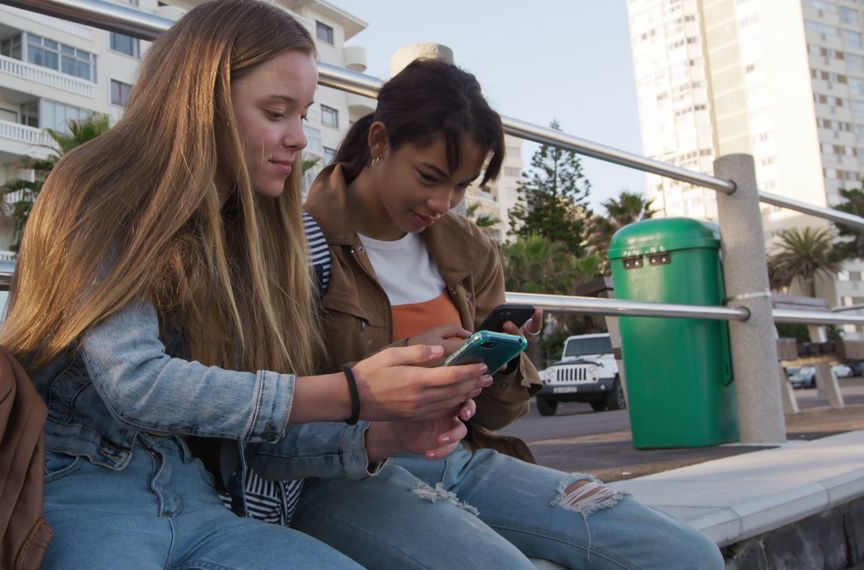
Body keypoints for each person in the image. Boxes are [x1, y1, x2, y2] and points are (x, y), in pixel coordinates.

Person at [0, 3, 492, 568]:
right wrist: (350, 392)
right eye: (277, 112)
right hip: (78, 481)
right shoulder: (97, 184)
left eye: (303, 115)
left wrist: (387, 433)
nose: (300, 138)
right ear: (201, 101)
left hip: (196, 492)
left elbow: (255, 435)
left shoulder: (262, 229)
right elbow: (135, 384)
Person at [295, 58, 725, 569]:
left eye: (461, 185)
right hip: (345, 474)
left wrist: (492, 363)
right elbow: (270, 402)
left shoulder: (467, 248)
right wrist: (402, 364)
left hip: (461, 460)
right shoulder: (295, 243)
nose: (443, 201)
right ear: (381, 141)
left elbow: (497, 417)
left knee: (686, 556)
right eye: (430, 176)